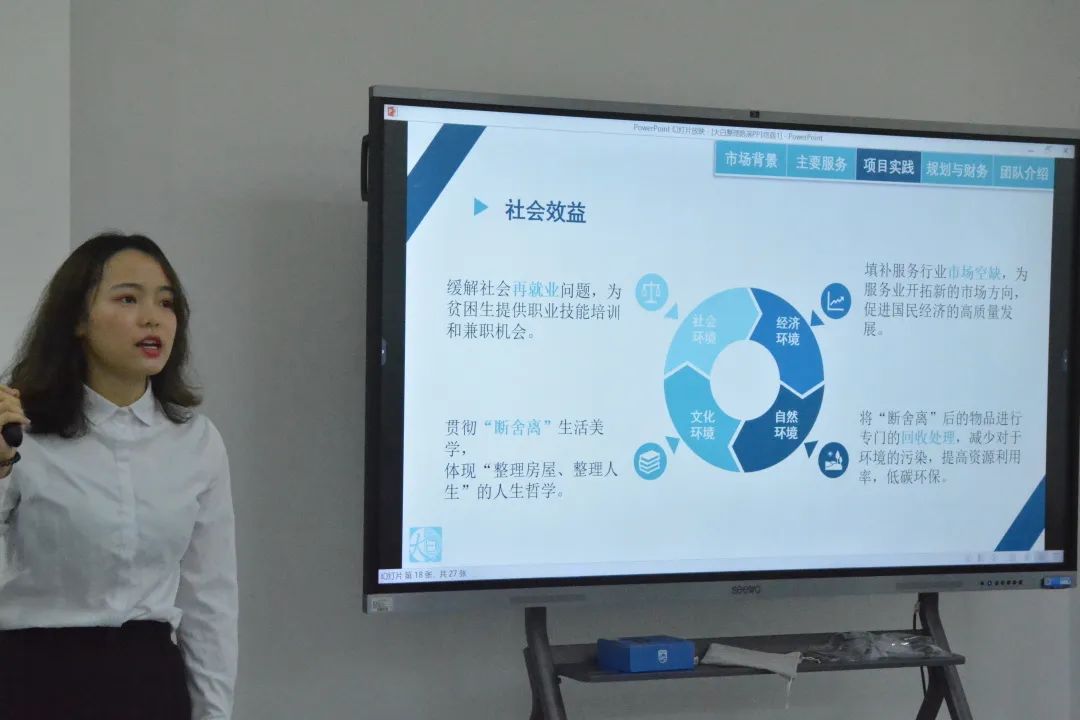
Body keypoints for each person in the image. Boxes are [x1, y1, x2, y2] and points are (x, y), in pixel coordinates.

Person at [0, 232, 238, 719]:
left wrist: (213, 713)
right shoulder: (20, 430)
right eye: (128, 299)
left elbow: (210, 599)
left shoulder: (196, 441)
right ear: (77, 319)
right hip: (32, 678)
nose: (153, 318)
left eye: (166, 303)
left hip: (149, 681)